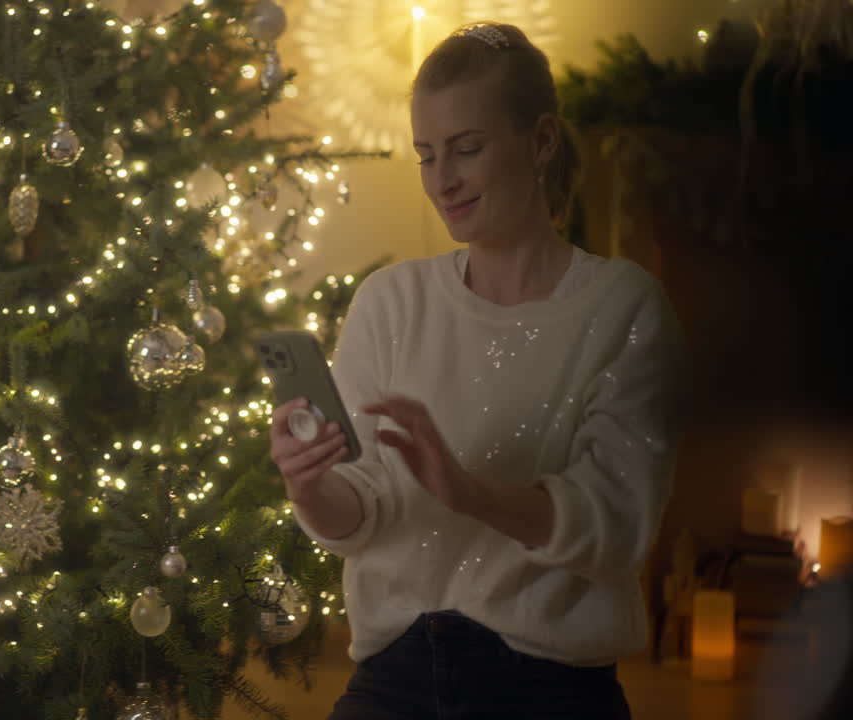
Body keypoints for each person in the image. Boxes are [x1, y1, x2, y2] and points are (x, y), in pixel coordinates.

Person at [269, 22, 687, 719]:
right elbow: (362, 508)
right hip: (395, 675)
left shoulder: (623, 308)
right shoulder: (390, 302)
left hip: (550, 685)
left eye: (467, 149)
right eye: (427, 156)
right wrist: (307, 485)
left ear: (542, 140)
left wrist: (469, 492)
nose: (444, 181)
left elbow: (617, 527)